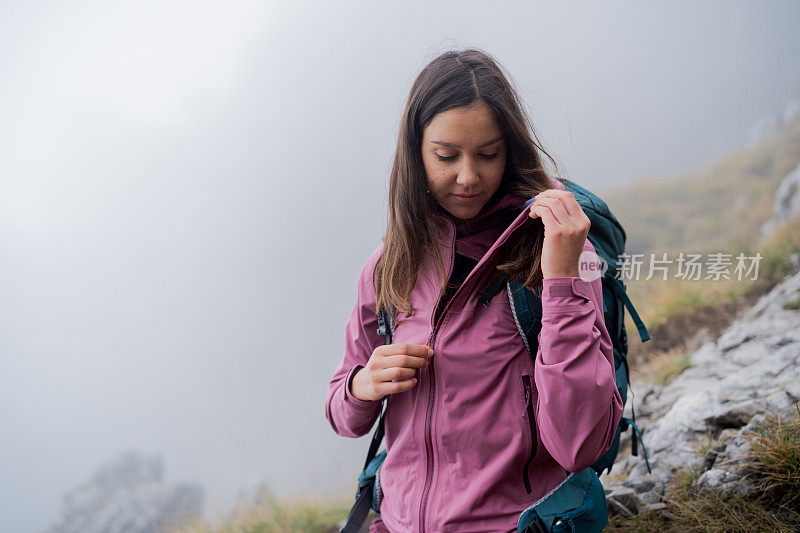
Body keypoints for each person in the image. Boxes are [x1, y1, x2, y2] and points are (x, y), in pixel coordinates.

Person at [324, 48, 622, 533]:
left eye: (488, 154)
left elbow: (580, 444)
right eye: (446, 155)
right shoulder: (389, 265)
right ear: (415, 153)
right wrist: (362, 385)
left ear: (510, 150)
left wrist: (564, 280)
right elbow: (342, 412)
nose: (468, 177)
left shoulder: (554, 250)